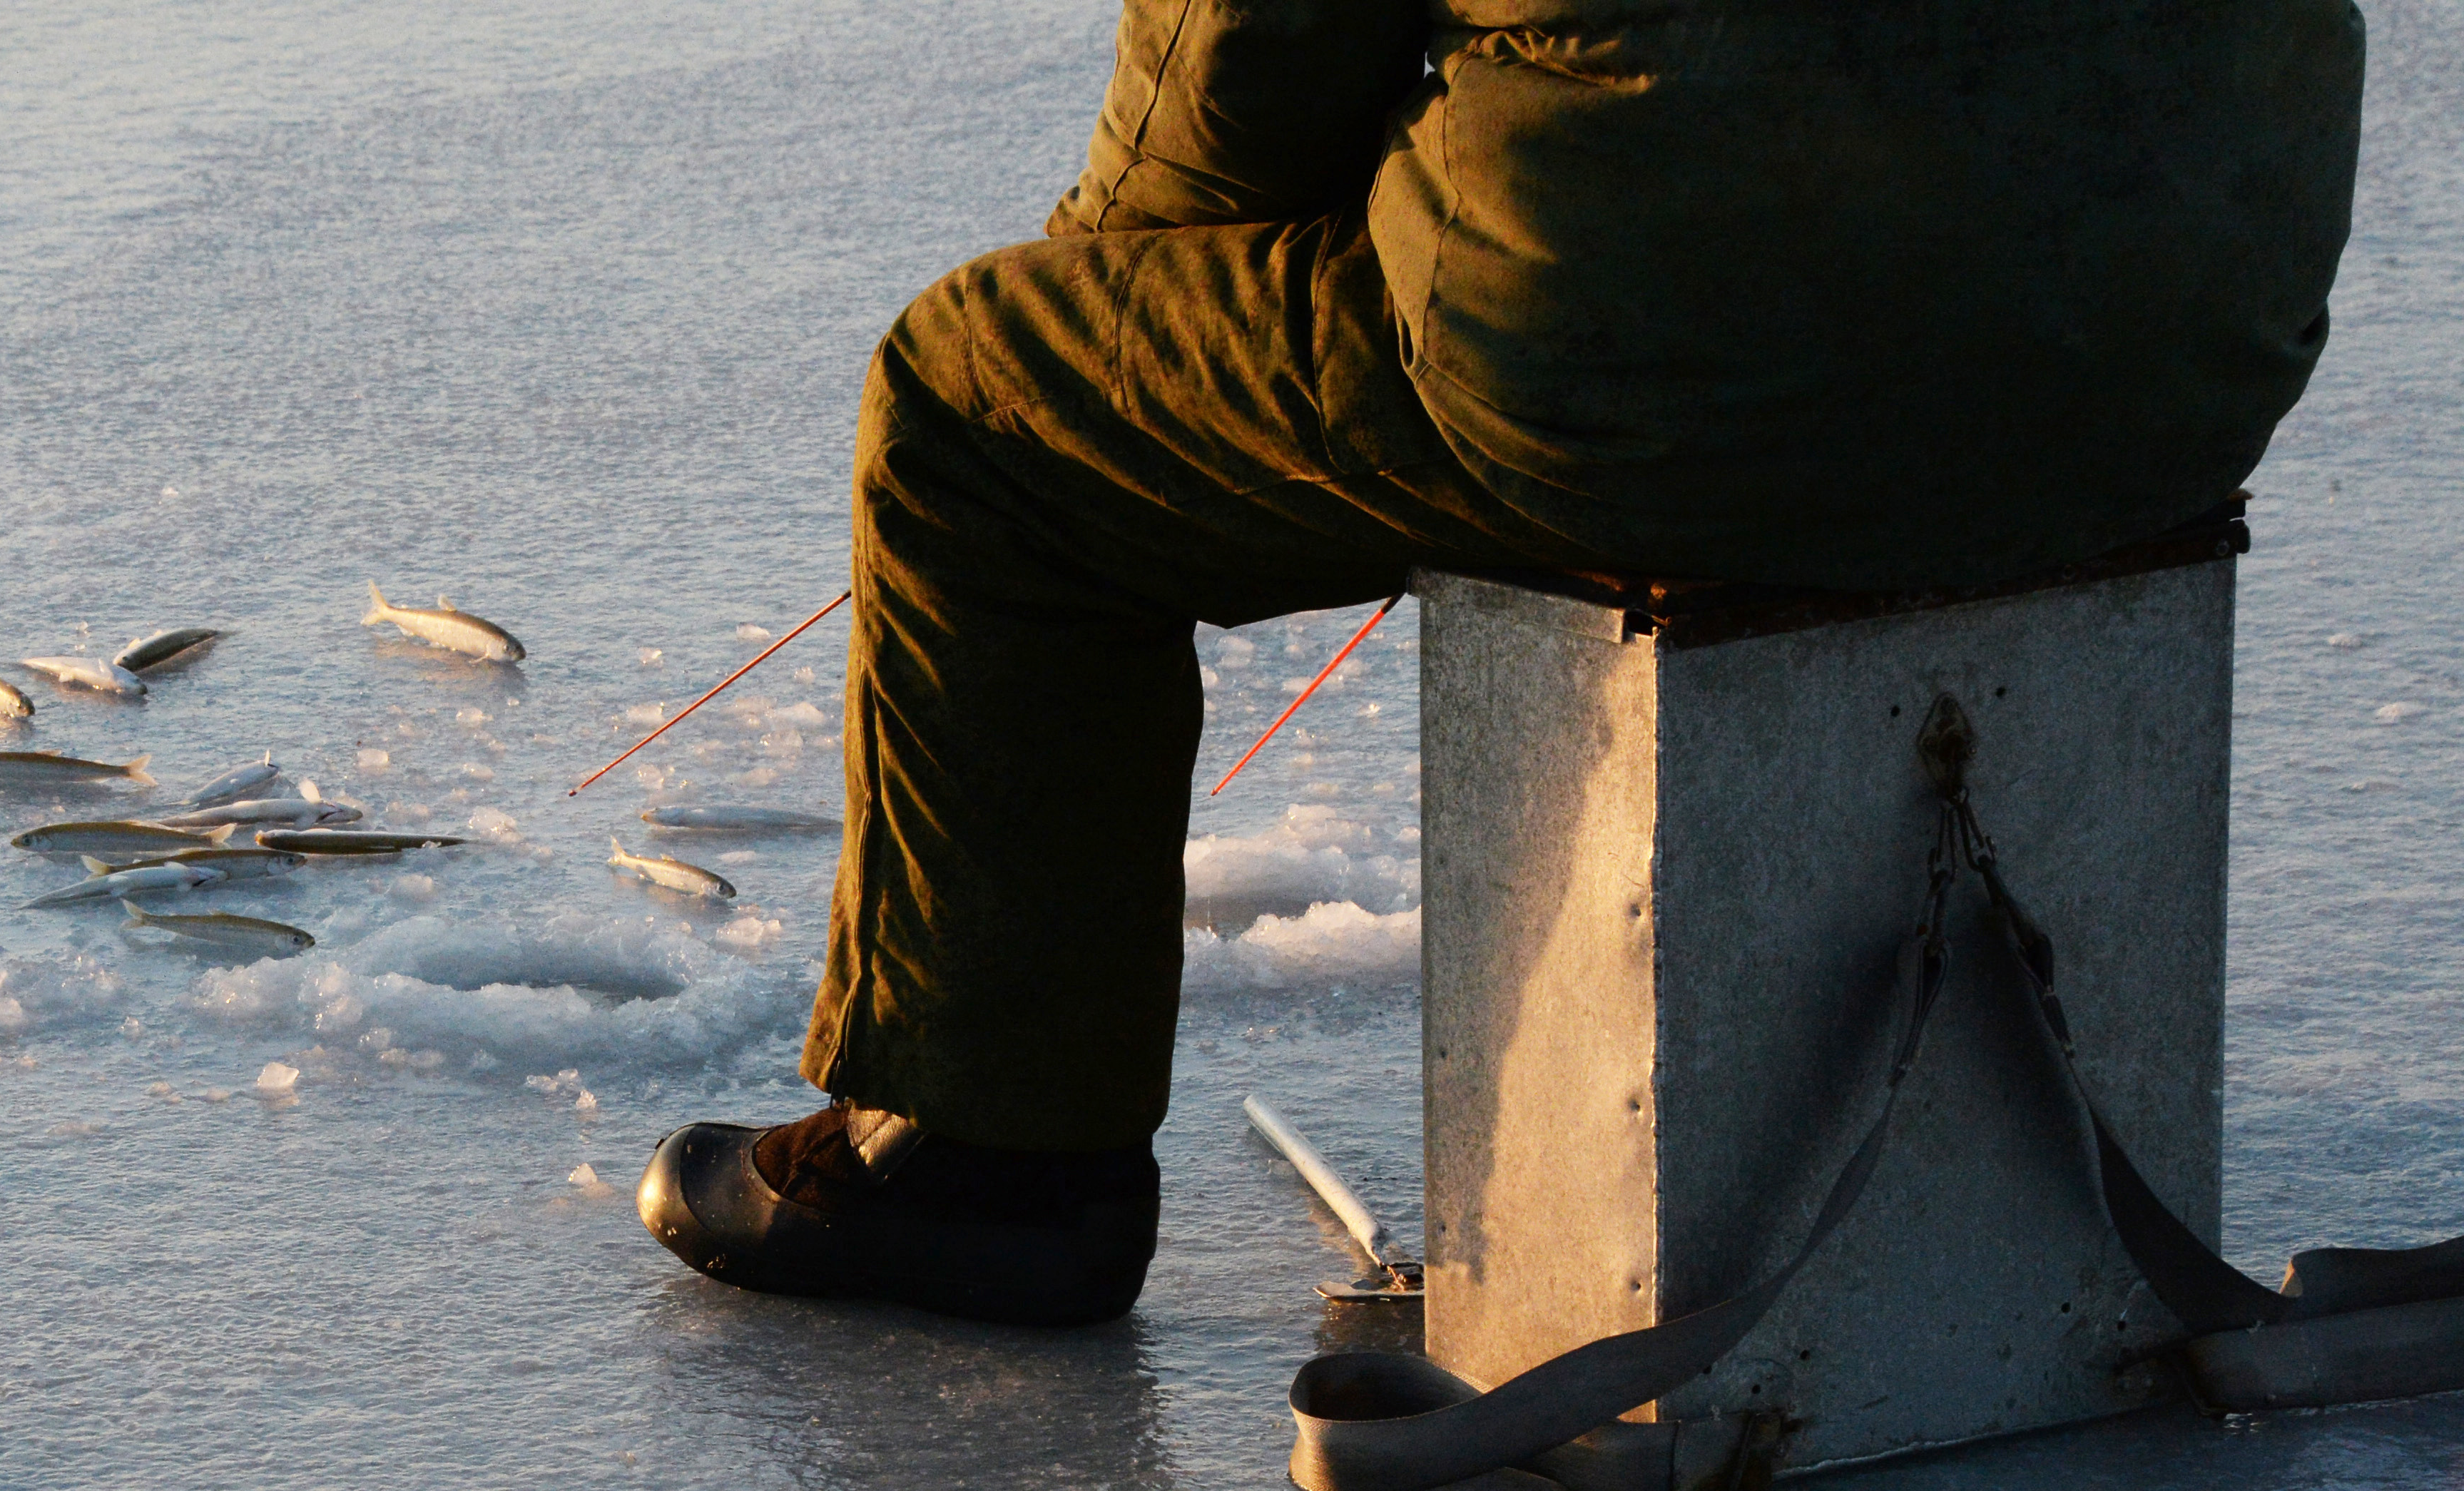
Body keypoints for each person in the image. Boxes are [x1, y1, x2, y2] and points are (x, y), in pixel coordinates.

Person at [639, 0, 2365, 1327]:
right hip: (2169, 351)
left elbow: (1241, 66)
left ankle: (985, 1167)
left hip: (1637, 360)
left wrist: (1107, 280)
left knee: (973, 405)